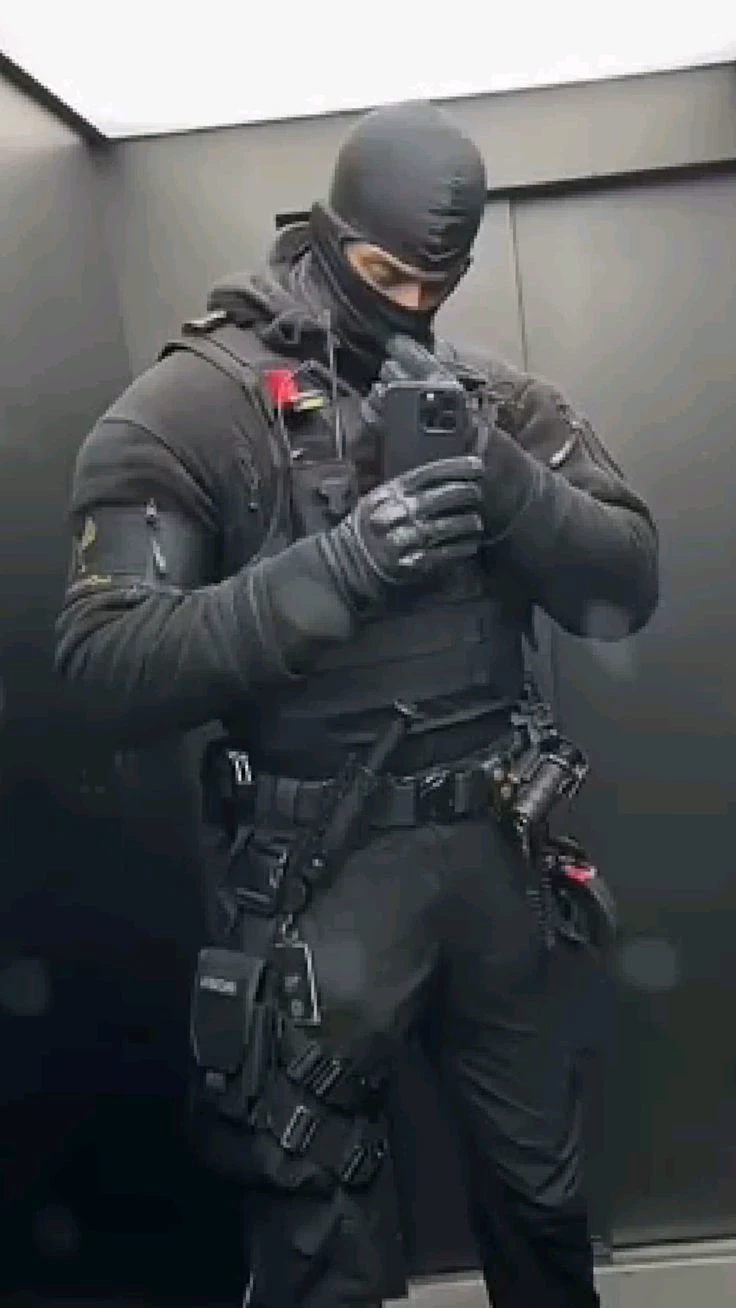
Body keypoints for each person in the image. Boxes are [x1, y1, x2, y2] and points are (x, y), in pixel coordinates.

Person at [55, 101, 659, 1308]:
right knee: (316, 1241)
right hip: (315, 880)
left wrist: (501, 481)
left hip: (497, 855)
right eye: (387, 275)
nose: (413, 304)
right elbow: (101, 669)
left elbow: (624, 585)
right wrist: (334, 573)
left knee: (543, 1211)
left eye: (442, 281)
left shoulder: (490, 399)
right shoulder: (196, 407)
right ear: (326, 237)